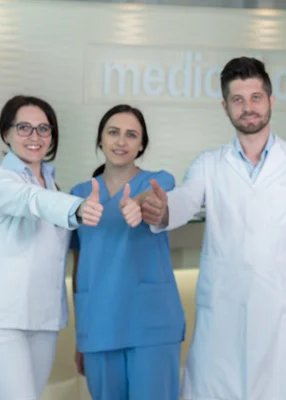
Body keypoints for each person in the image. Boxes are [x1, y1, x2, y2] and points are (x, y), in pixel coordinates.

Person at [144, 56, 286, 400]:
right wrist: (163, 211)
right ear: (225, 107)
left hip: (280, 310)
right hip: (222, 309)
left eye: (255, 97)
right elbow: (186, 200)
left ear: (270, 101)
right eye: (238, 99)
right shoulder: (208, 164)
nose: (247, 107)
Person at [0, 95, 103, 400]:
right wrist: (78, 207)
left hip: (43, 318)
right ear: (6, 133)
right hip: (3, 319)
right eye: (24, 127)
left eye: (44, 129)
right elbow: (31, 201)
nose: (35, 136)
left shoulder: (52, 184)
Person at [69, 104, 185, 399]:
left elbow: (155, 199)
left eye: (131, 135)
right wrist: (80, 336)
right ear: (100, 139)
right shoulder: (78, 196)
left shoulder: (158, 181)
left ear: (141, 144)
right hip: (98, 324)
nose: (121, 142)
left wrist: (139, 204)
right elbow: (78, 268)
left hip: (152, 325)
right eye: (113, 133)